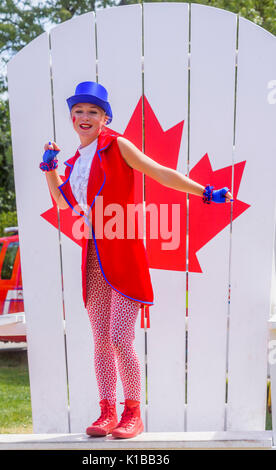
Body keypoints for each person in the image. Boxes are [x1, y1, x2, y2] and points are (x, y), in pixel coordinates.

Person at [40, 81, 233, 439]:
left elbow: (159, 172)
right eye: (78, 111)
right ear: (72, 117)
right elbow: (64, 204)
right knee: (99, 338)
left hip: (124, 252)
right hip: (94, 253)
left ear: (104, 117)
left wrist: (204, 191)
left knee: (119, 337)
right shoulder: (75, 162)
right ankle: (106, 412)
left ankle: (132, 413)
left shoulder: (117, 146)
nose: (85, 117)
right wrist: (49, 168)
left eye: (92, 112)